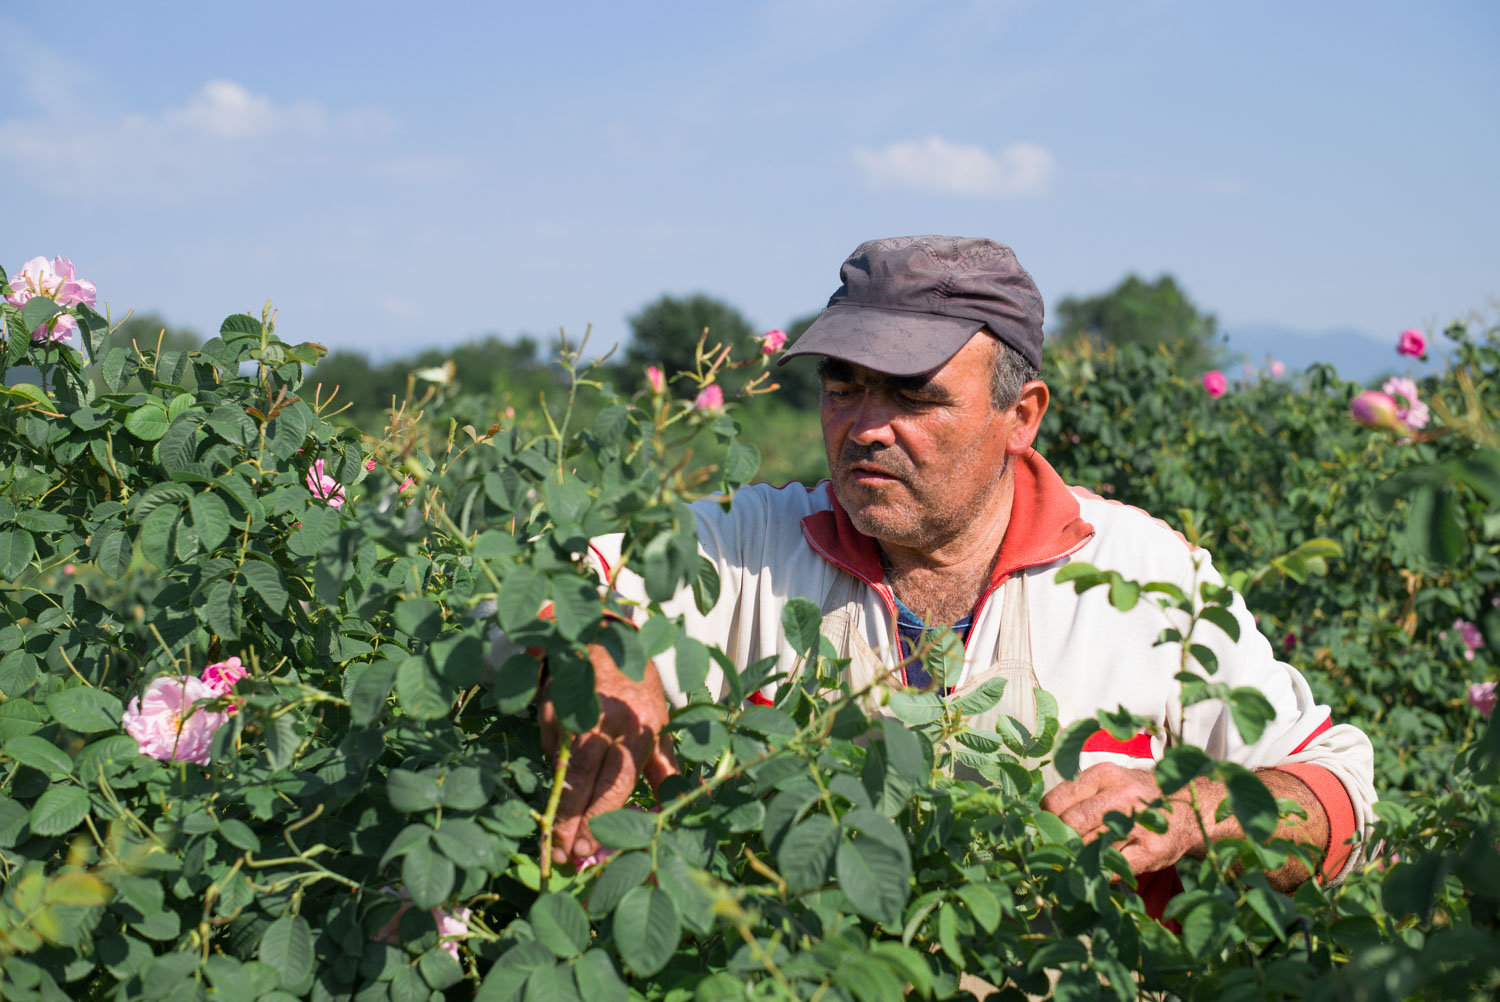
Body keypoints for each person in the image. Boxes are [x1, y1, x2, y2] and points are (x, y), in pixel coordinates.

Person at [539, 235, 1375, 899]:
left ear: (1022, 416)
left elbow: (1339, 791)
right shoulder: (747, 544)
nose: (865, 427)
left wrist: (1197, 813)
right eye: (844, 386)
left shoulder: (1147, 578)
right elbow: (547, 591)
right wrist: (604, 659)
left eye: (912, 395)